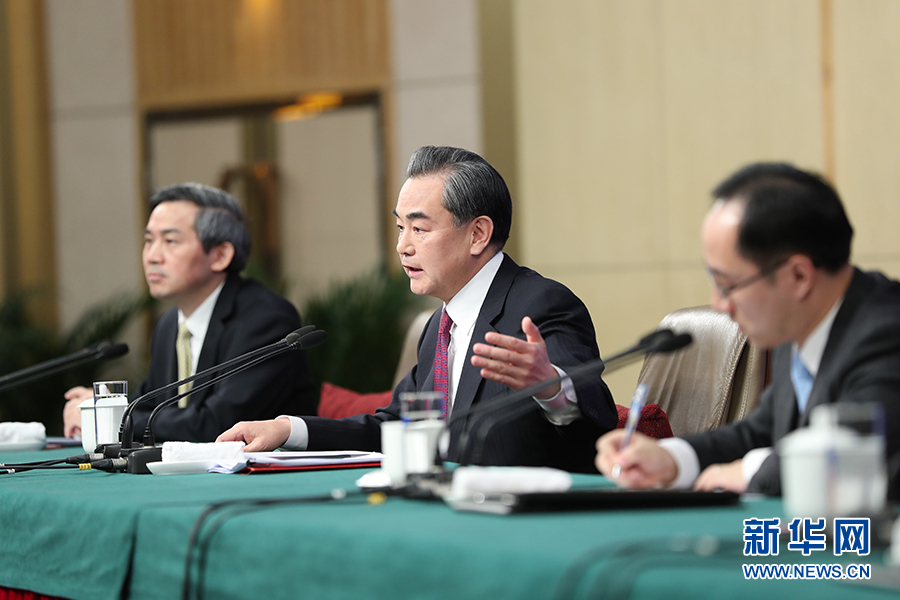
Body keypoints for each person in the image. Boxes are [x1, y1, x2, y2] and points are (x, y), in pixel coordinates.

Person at [218, 146, 617, 472]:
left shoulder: (540, 304)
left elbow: (596, 417)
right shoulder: (439, 327)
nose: (402, 247)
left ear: (478, 234)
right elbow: (395, 426)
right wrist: (288, 430)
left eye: (419, 229)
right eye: (400, 228)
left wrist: (551, 386)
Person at [596, 162, 900, 497]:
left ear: (798, 276)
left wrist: (751, 470)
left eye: (727, 285)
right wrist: (672, 458)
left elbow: (852, 450)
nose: (719, 305)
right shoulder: (798, 321)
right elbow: (762, 429)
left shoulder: (887, 332)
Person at [63, 183, 318, 442]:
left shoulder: (265, 319)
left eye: (170, 241)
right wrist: (102, 406)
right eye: (149, 240)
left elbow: (218, 424)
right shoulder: (169, 325)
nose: (152, 256)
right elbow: (149, 406)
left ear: (220, 255)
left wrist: (114, 419)